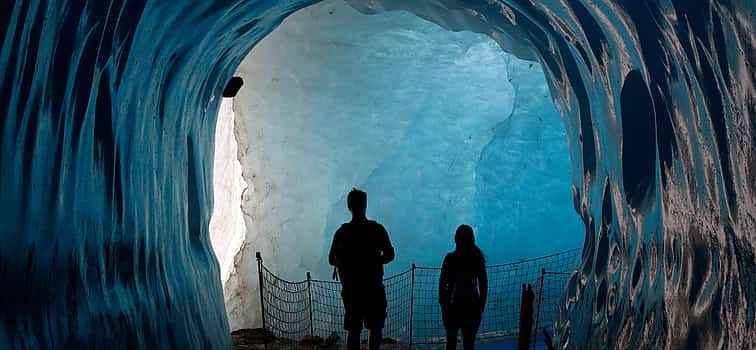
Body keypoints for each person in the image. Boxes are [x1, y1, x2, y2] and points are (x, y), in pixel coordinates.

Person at [329, 188, 395, 350]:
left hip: (351, 290)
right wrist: (376, 260)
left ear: (349, 206)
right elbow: (390, 254)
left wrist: (345, 262)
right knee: (375, 327)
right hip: (374, 288)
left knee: (353, 330)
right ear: (365, 205)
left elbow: (331, 259)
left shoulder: (342, 232)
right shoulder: (377, 229)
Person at [439, 225, 488, 350]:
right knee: (468, 344)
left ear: (455, 239)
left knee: (451, 343)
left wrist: (444, 305)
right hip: (472, 307)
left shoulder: (450, 259)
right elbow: (483, 285)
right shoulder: (477, 259)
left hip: (452, 307)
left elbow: (442, 284)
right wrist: (481, 306)